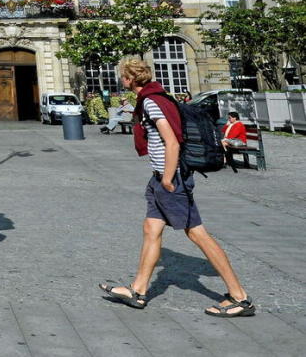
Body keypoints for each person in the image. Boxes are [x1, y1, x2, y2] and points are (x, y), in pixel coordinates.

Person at [99, 58, 254, 316]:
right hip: (160, 176)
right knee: (151, 227)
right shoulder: (157, 97)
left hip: (171, 178)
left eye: (122, 77)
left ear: (128, 80)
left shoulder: (151, 102)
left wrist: (168, 178)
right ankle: (138, 289)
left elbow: (172, 142)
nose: (121, 80)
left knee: (197, 234)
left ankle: (240, 297)